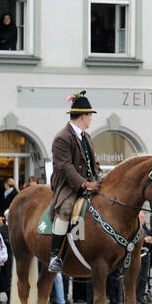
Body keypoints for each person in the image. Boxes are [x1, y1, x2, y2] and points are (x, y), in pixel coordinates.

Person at [45, 92, 102, 273]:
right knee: (66, 209)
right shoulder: (62, 137)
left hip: (90, 182)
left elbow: (93, 162)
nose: (91, 119)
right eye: (90, 115)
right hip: (68, 185)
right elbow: (65, 167)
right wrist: (84, 184)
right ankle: (55, 255)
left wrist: (98, 177)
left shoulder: (86, 136)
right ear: (83, 116)